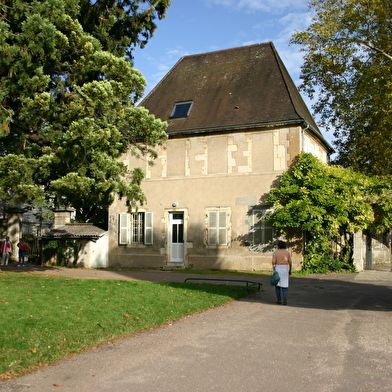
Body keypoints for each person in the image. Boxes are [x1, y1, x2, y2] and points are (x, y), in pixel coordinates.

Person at [272, 240, 292, 305]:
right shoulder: (287, 253)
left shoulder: (275, 253)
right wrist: (290, 270)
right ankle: (285, 296)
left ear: (278, 246)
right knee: (285, 284)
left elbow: (273, 262)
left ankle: (279, 299)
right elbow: (290, 262)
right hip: (285, 268)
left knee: (277, 284)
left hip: (278, 268)